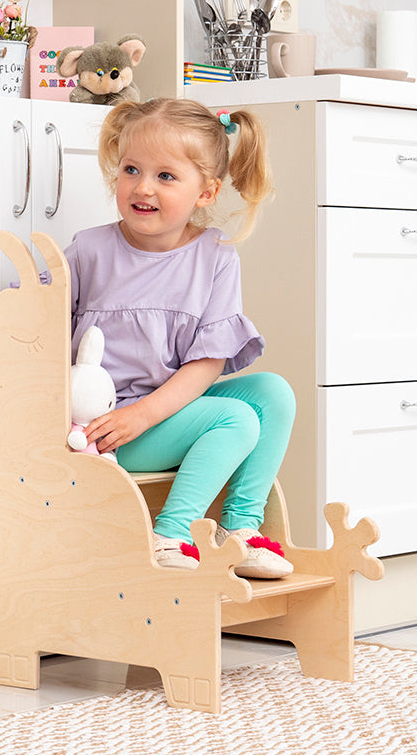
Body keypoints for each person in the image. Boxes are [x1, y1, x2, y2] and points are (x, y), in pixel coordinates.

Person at [65, 98, 296, 578]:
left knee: (274, 394)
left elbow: (207, 363)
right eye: (131, 169)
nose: (142, 187)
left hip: (154, 414)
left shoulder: (215, 257)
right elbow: (33, 317)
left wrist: (143, 414)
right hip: (105, 431)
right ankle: (170, 534)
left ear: (206, 193)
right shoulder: (90, 249)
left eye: (166, 177)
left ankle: (240, 530)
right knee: (234, 418)